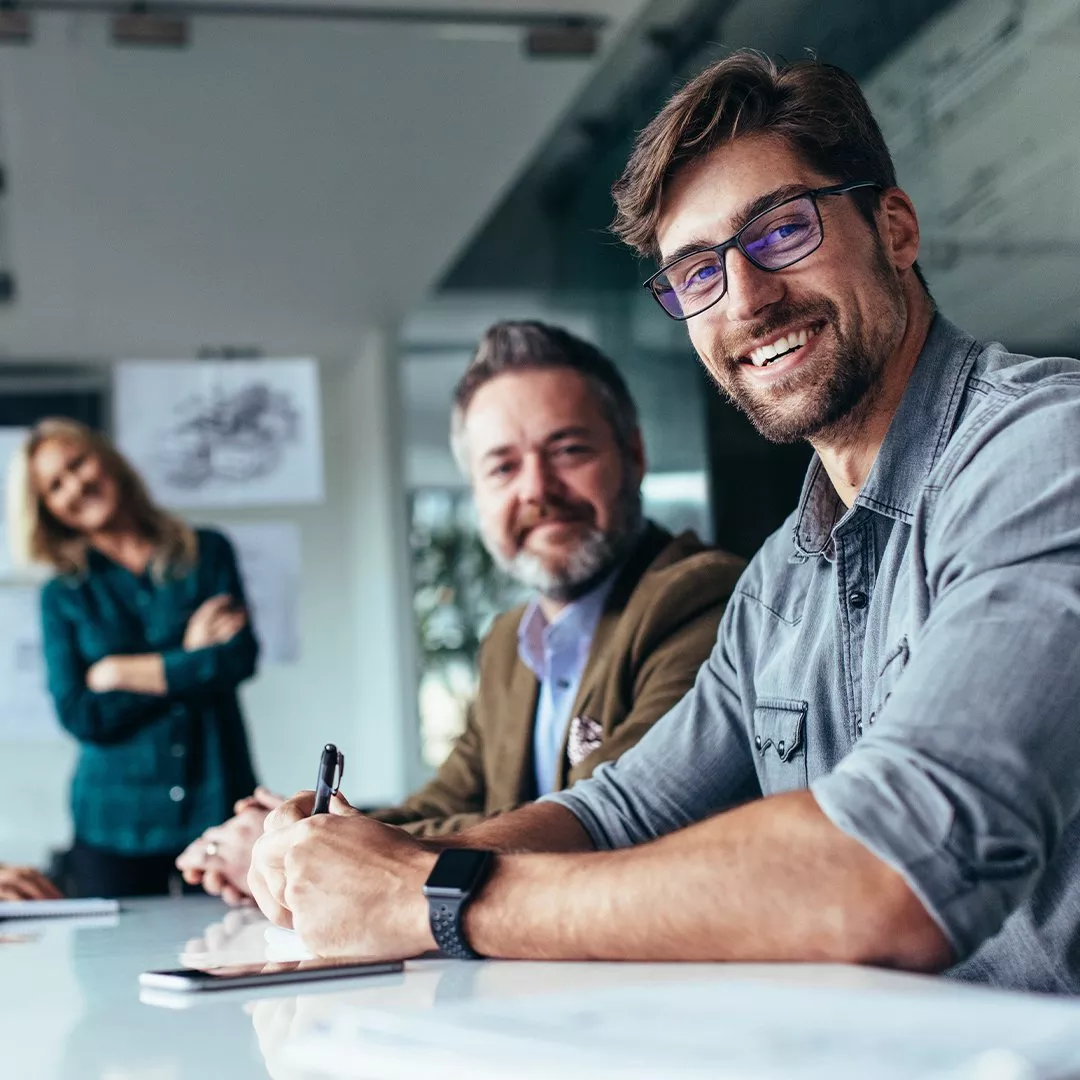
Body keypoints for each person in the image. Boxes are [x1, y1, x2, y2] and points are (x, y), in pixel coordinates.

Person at [246, 51, 1080, 994]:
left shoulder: (1044, 452)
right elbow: (617, 813)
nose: (747, 298)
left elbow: (893, 872)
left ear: (894, 227)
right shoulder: (781, 581)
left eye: (782, 231)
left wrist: (437, 897)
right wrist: (363, 863)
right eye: (697, 273)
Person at [178, 321, 745, 904]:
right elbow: (449, 801)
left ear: (634, 455)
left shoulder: (698, 597)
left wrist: (316, 850)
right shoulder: (509, 642)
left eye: (569, 450)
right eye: (502, 467)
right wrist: (302, 837)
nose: (536, 489)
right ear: (476, 492)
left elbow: (602, 817)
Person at [8, 418, 259, 898]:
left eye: (77, 463)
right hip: (114, 824)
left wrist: (120, 671)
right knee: (112, 969)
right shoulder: (63, 595)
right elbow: (81, 713)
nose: (75, 485)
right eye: (55, 485)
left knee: (237, 953)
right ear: (47, 510)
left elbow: (237, 659)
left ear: (105, 458)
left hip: (217, 802)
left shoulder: (207, 552)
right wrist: (188, 656)